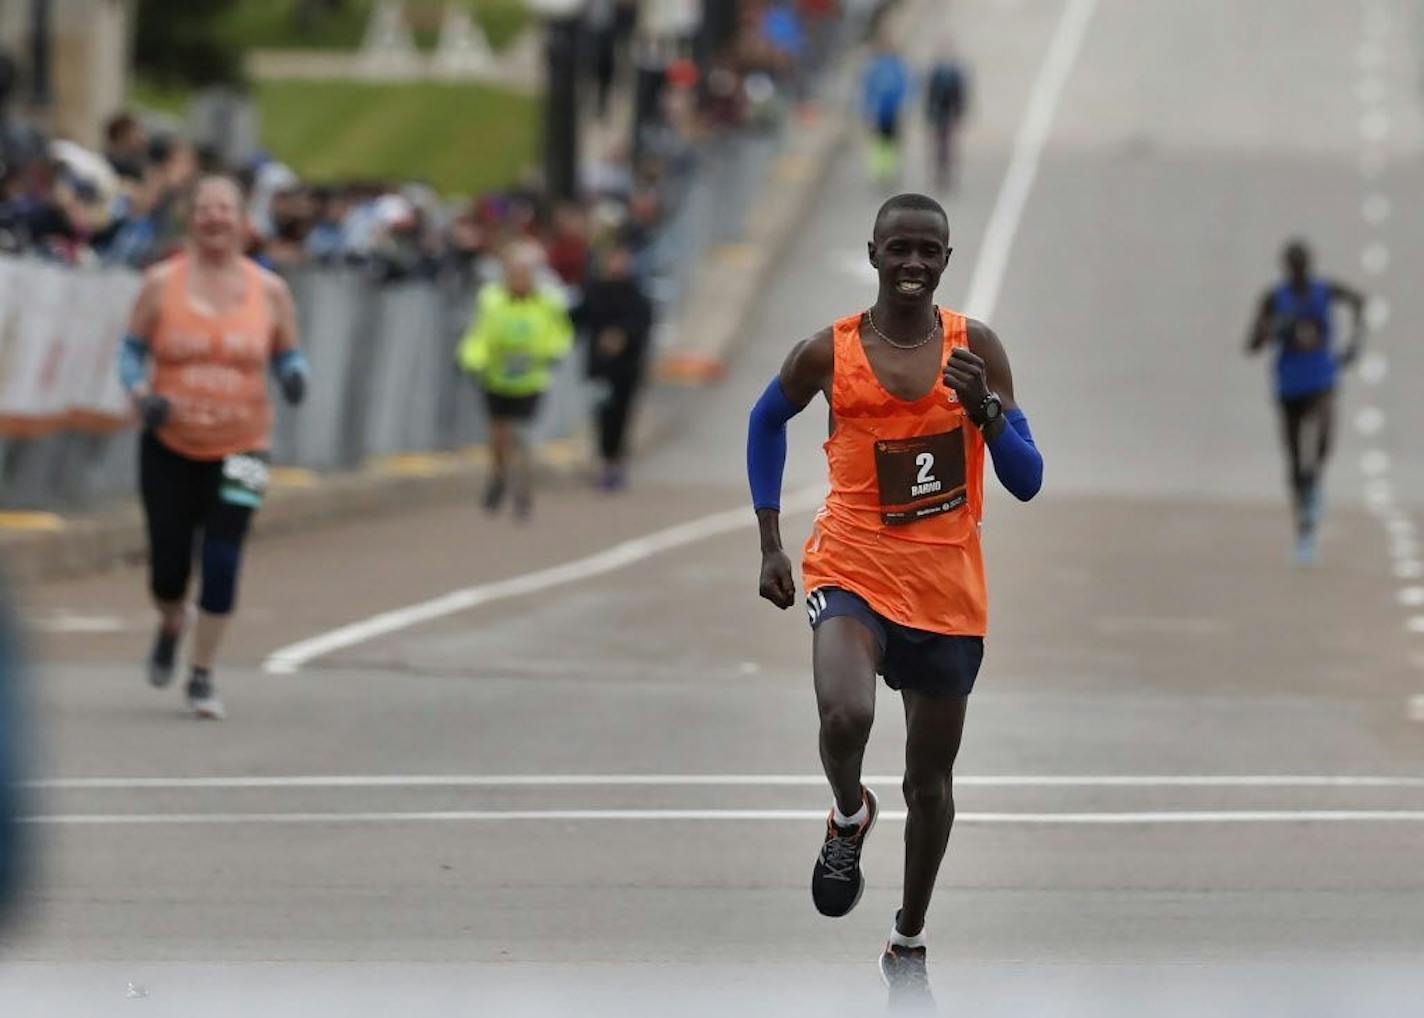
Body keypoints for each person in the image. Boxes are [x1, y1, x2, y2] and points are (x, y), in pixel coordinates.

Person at [746, 194, 1043, 1005]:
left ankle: (907, 939)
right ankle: (848, 816)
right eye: (899, 249)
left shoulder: (975, 350)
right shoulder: (827, 353)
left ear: (946, 260)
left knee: (930, 784)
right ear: (873, 253)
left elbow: (1028, 480)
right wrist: (771, 541)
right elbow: (765, 420)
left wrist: (985, 407)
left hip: (947, 588)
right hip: (852, 566)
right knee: (846, 716)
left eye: (929, 251)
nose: (913, 263)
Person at [119, 175, 309, 719]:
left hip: (246, 447)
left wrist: (296, 376)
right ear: (190, 220)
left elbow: (290, 354)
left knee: (224, 558)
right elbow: (129, 354)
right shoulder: (160, 284)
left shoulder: (270, 290)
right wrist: (139, 394)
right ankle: (171, 620)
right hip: (169, 444)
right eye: (204, 209)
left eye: (225, 208)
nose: (215, 218)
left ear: (244, 220)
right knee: (168, 569)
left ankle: (201, 674)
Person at [1246, 239, 1366, 565]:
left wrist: (1355, 344)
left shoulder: (1325, 291)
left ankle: (1314, 485)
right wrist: (1270, 329)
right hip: (1289, 385)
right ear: (1285, 268)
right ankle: (1304, 530)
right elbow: (1252, 344)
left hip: (1321, 378)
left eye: (1302, 266)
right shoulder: (1273, 298)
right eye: (1293, 266)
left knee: (1324, 438)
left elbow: (1359, 301)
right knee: (1295, 459)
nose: (1298, 272)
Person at [457, 243, 573, 520]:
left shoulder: (546, 303)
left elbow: (560, 333)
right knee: (498, 436)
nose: (519, 280)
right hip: (497, 379)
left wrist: (554, 352)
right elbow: (479, 335)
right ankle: (497, 477)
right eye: (514, 274)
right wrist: (471, 359)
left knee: (522, 436)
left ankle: (523, 490)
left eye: (524, 274)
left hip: (530, 380)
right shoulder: (492, 300)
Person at [575, 239, 654, 491]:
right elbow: (580, 318)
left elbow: (642, 323)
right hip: (601, 368)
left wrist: (622, 336)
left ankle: (616, 461)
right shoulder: (594, 290)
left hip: (627, 369)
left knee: (621, 415)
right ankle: (605, 461)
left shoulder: (635, 292)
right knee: (602, 414)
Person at [860, 40, 912, 187]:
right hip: (879, 112)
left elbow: (906, 88)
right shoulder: (875, 68)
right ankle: (881, 171)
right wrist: (867, 110)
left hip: (893, 111)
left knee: (892, 143)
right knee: (879, 143)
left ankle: (889, 171)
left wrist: (905, 106)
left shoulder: (897, 67)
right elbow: (868, 90)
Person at [924, 53, 969, 192]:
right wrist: (930, 113)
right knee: (939, 148)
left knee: (947, 147)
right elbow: (930, 95)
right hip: (939, 114)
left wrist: (959, 112)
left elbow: (959, 95)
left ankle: (947, 175)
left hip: (949, 114)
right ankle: (940, 175)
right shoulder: (936, 74)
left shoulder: (954, 74)